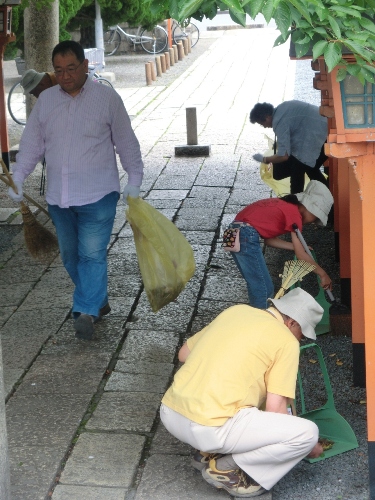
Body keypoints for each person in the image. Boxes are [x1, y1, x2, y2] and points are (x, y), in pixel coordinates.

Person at [8, 40, 144, 340]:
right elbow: (32, 144)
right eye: (59, 70)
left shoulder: (107, 98)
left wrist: (134, 179)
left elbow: (126, 141)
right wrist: (19, 176)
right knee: (70, 256)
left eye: (71, 68)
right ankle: (98, 300)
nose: (66, 75)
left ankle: (84, 311)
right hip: (59, 196)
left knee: (92, 254)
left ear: (85, 65)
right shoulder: (46, 102)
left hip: (99, 193)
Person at [160, 287, 324, 498]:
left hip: (171, 412)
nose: (301, 339)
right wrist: (308, 447)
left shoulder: (236, 311)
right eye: (303, 333)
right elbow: (276, 410)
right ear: (292, 322)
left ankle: (206, 453)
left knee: (240, 403)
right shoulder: (287, 341)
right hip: (211, 427)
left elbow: (184, 354)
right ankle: (228, 468)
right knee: (307, 433)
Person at [225, 180, 333, 309]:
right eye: (315, 218)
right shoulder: (294, 215)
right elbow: (301, 255)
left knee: (256, 283)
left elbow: (269, 240)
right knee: (263, 287)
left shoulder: (284, 206)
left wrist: (295, 246)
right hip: (245, 234)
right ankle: (261, 323)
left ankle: (255, 316)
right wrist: (322, 274)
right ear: (307, 206)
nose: (313, 222)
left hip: (233, 233)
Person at [250, 100, 329, 194]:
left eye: (261, 124)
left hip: (323, 136)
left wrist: (264, 159)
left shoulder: (279, 122)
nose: (264, 127)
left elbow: (283, 156)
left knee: (299, 168)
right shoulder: (282, 108)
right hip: (325, 128)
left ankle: (294, 200)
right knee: (307, 167)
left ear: (267, 117)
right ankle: (329, 197)